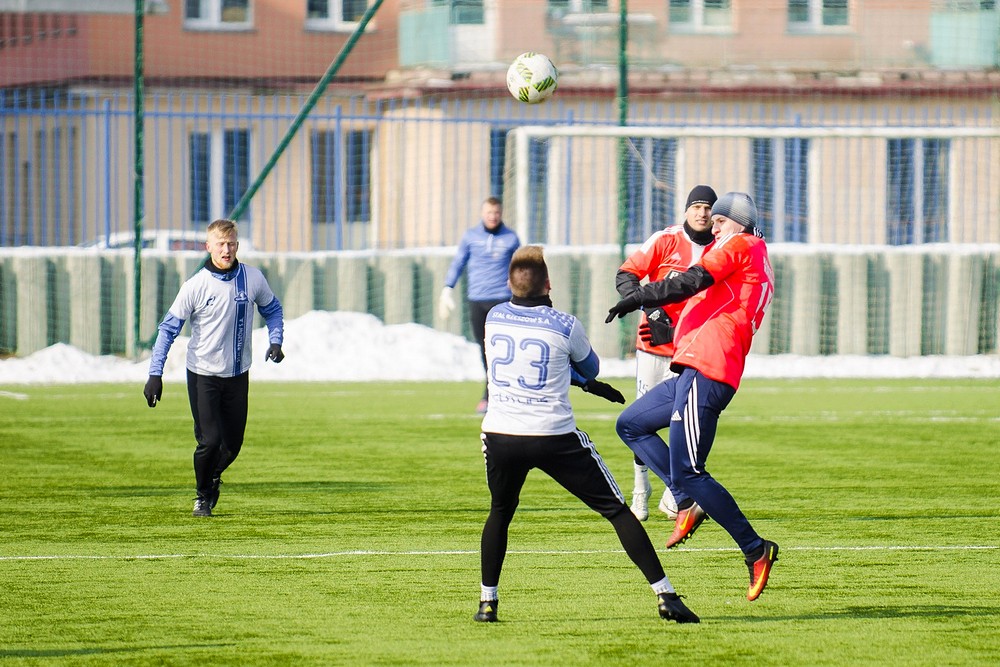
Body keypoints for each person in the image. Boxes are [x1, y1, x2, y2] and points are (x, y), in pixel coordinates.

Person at [474, 245, 699, 624]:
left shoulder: (494, 317)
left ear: (510, 283)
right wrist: (584, 380)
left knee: (499, 512)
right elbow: (589, 367)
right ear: (548, 283)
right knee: (615, 510)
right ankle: (666, 595)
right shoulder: (564, 324)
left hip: (500, 433)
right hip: (552, 435)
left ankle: (487, 603)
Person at [605, 192, 780, 602]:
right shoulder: (745, 253)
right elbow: (709, 303)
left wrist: (641, 298)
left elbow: (692, 280)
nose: (712, 227)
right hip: (694, 365)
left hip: (709, 370)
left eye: (720, 221)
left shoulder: (741, 246)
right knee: (630, 424)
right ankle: (686, 501)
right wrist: (669, 329)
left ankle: (755, 549)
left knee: (690, 470)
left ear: (739, 222)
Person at [142, 218, 285, 518]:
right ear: (208, 247)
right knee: (210, 441)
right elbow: (167, 330)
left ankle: (212, 477)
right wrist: (155, 374)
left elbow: (272, 309)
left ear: (237, 245)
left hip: (237, 374)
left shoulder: (252, 278)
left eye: (231, 243)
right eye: (220, 244)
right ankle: (202, 496)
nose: (227, 249)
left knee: (232, 445)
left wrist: (275, 341)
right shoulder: (195, 286)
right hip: (203, 375)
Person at [616, 184, 717, 522]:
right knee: (641, 422)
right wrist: (652, 310)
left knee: (682, 424)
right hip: (653, 349)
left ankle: (675, 497)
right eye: (697, 206)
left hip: (693, 354)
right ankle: (640, 493)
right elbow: (627, 273)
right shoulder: (665, 240)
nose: (702, 213)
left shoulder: (721, 250)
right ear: (686, 210)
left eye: (708, 208)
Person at [439, 196, 520, 414]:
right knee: (485, 351)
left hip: (503, 300)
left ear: (501, 214)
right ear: (482, 214)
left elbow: (520, 267)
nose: (492, 217)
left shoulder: (511, 238)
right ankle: (493, 393)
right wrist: (447, 289)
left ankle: (493, 396)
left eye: (496, 213)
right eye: (489, 213)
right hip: (477, 300)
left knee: (503, 350)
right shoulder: (470, 237)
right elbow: (458, 262)